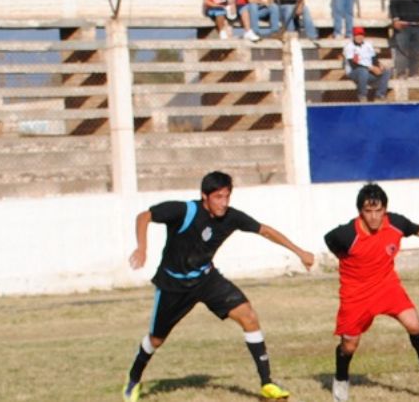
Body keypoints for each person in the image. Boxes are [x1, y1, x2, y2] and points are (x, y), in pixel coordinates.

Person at [121, 171, 314, 402]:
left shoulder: (231, 217)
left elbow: (265, 230)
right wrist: (142, 248)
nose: (223, 203)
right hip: (174, 284)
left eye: (226, 197)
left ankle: (267, 383)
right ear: (205, 196)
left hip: (206, 279)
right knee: (156, 340)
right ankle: (133, 380)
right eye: (218, 197)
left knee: (249, 317)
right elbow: (144, 216)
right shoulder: (184, 211)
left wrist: (300, 252)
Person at [324, 183, 419, 402]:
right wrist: (347, 261)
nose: (373, 216)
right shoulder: (346, 234)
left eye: (378, 210)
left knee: (414, 324)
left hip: (386, 286)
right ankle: (341, 379)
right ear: (360, 212)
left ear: (385, 209)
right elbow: (329, 240)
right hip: (356, 293)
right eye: (368, 211)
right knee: (349, 345)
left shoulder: (396, 223)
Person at [343, 26, 391, 102]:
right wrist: (371, 68)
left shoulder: (368, 45)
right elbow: (353, 64)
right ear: (354, 36)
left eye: (361, 34)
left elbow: (374, 59)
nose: (359, 37)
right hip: (354, 72)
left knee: (387, 70)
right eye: (357, 35)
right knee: (362, 71)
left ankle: (380, 95)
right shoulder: (349, 47)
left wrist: (379, 65)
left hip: (368, 72)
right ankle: (362, 96)